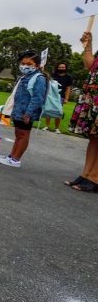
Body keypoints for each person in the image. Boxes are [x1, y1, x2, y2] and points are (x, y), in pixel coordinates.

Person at [0, 51, 47, 168]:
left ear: (37, 65)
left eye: (29, 64)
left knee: (23, 134)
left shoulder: (39, 78)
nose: (25, 66)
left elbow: (38, 98)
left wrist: (29, 113)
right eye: (23, 63)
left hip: (26, 112)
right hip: (19, 111)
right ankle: (12, 156)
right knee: (18, 133)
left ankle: (16, 159)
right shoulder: (24, 77)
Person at [66, 32, 98, 192]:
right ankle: (86, 174)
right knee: (93, 137)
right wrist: (88, 45)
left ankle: (95, 178)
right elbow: (90, 66)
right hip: (93, 96)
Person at [41, 62, 72, 133]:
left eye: (63, 67)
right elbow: (46, 80)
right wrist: (42, 70)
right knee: (48, 110)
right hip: (50, 95)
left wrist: (66, 98)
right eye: (60, 67)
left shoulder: (68, 77)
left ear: (66, 68)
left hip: (60, 97)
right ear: (57, 68)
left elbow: (68, 88)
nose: (61, 68)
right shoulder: (53, 75)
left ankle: (56, 128)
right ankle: (47, 126)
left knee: (58, 112)